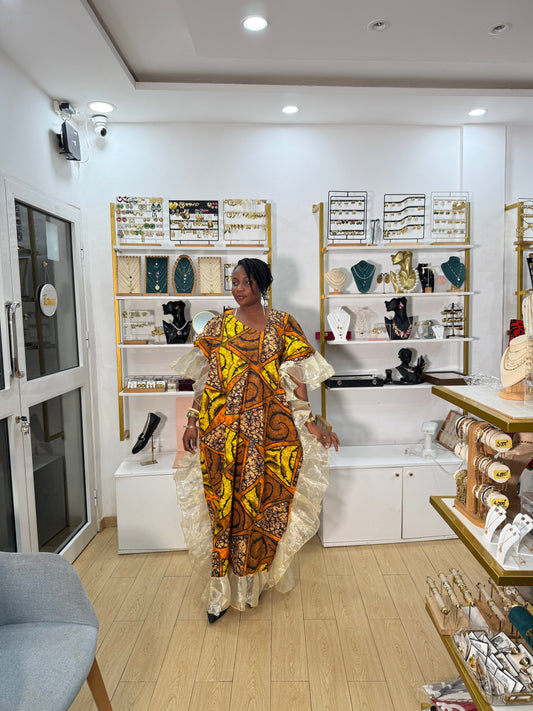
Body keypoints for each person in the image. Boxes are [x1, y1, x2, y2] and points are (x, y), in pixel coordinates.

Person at [171, 258, 339, 622]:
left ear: (261, 284)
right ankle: (220, 593)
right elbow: (204, 380)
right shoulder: (217, 326)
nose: (237, 288)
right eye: (233, 282)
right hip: (221, 434)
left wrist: (310, 422)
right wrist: (191, 420)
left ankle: (250, 587)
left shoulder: (282, 324)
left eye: (245, 282)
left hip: (269, 435)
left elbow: (296, 380)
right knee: (222, 510)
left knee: (261, 510)